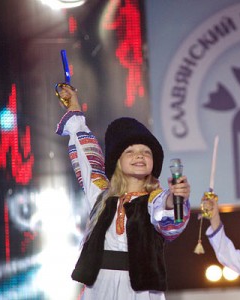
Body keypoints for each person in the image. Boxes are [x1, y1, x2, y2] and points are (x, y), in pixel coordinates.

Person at [56, 86, 191, 299]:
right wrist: (73, 105)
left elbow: (167, 217)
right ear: (117, 162)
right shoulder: (102, 196)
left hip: (140, 291)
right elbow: (86, 157)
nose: (139, 156)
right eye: (130, 151)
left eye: (146, 152)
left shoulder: (154, 200)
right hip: (100, 288)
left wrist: (175, 198)